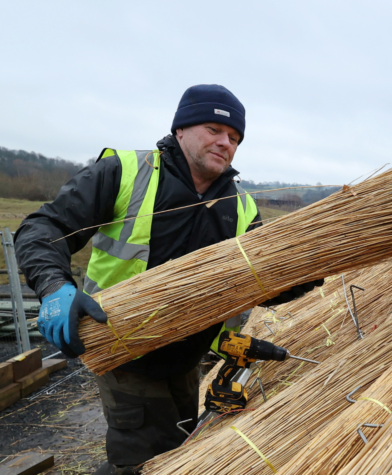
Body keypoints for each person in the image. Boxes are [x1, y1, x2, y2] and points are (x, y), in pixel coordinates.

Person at [14, 85, 321, 475]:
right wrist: (54, 286)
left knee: (178, 443)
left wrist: (307, 270)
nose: (225, 143)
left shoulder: (240, 206)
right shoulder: (126, 172)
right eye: (214, 129)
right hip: (125, 352)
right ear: (181, 129)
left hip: (188, 357)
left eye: (234, 138)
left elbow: (260, 284)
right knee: (147, 459)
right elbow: (44, 228)